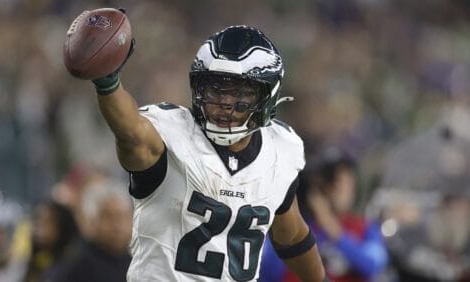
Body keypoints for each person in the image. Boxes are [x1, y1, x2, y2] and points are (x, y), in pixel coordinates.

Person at [66, 13, 326, 281]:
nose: (225, 103)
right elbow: (131, 133)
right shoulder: (173, 133)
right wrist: (108, 83)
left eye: (240, 93)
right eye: (215, 89)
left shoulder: (281, 149)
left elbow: (292, 234)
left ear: (267, 95)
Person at [304, 151, 388, 282]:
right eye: (334, 180)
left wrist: (332, 228)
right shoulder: (302, 230)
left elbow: (373, 265)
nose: (341, 188)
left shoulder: (365, 228)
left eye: (347, 180)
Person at [51, 179, 133, 282]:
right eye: (108, 217)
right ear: (91, 221)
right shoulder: (75, 262)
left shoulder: (136, 261)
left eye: (123, 216)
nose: (117, 225)